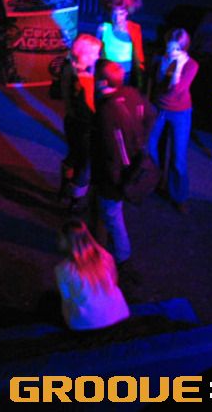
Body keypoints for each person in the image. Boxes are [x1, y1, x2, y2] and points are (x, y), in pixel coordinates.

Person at [91, 60, 156, 271]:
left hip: (115, 174)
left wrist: (113, 182)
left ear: (103, 82)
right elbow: (150, 115)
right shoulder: (132, 93)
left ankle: (120, 257)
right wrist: (141, 139)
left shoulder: (106, 111)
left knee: (111, 214)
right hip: (134, 163)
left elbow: (111, 153)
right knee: (112, 212)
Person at [148, 28, 199, 215]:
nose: (171, 52)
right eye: (169, 48)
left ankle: (179, 196)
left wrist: (177, 67)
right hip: (159, 108)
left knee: (179, 158)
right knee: (150, 148)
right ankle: (154, 182)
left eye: (177, 49)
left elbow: (176, 91)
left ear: (184, 49)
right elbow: (154, 83)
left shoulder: (191, 65)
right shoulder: (160, 60)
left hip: (180, 112)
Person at [54, 218, 129, 330]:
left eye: (60, 238)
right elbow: (114, 281)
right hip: (119, 314)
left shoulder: (62, 269)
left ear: (69, 241)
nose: (57, 241)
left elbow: (67, 299)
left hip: (86, 325)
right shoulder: (105, 257)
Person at [59, 34, 102, 212]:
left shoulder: (68, 68)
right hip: (86, 126)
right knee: (84, 163)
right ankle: (76, 200)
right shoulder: (86, 80)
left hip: (71, 120)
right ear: (85, 54)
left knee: (72, 155)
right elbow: (92, 107)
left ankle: (63, 188)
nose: (98, 56)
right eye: (96, 53)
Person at [96, 0, 146, 90]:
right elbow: (96, 54)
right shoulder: (103, 28)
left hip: (126, 75)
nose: (117, 18)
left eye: (121, 14)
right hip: (107, 75)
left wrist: (140, 78)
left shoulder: (134, 29)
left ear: (127, 13)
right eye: (114, 14)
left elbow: (138, 55)